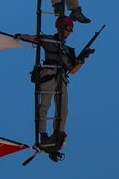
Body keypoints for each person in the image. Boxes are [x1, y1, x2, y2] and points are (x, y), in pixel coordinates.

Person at [14, 14, 95, 156]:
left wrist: (84, 57)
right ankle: (43, 134)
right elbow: (34, 38)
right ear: (59, 28)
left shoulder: (68, 50)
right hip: (49, 74)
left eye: (70, 30)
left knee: (63, 108)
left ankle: (59, 133)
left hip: (61, 78)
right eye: (66, 29)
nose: (68, 33)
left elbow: (73, 70)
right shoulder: (49, 40)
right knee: (45, 105)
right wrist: (21, 36)